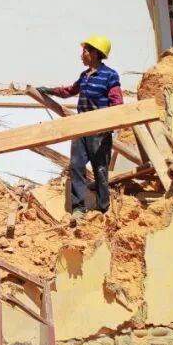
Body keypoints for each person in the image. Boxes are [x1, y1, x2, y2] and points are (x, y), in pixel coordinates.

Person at [38, 35, 122, 222]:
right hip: (80, 129)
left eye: (85, 51)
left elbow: (117, 103)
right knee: (76, 167)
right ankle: (78, 208)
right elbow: (69, 91)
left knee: (100, 169)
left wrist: (109, 126)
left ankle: (103, 208)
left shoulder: (110, 75)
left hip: (99, 131)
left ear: (95, 53)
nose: (81, 55)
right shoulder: (84, 76)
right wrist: (49, 91)